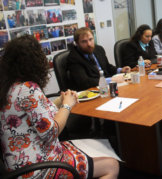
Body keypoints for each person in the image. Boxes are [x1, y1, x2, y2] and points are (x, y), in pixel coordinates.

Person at [0, 35, 119, 179]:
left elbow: (38, 114)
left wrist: (60, 101)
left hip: (18, 164)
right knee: (112, 166)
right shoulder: (28, 89)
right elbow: (51, 133)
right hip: (39, 169)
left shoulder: (9, 87)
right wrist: (67, 105)